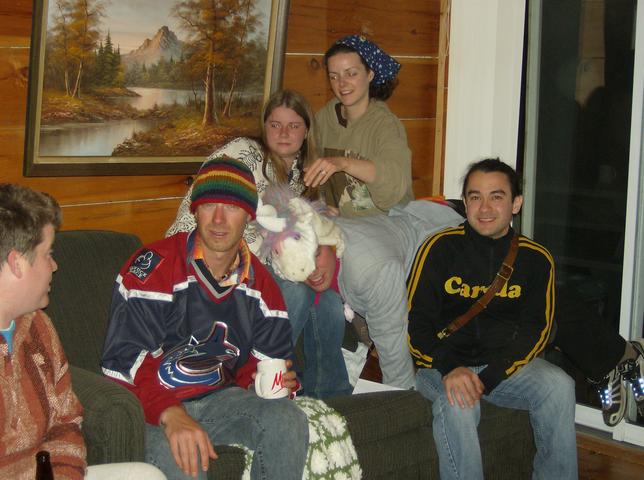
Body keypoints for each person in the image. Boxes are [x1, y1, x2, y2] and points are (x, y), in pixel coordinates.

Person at [101, 157, 308, 480]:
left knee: (288, 419)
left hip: (220, 402)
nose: (219, 219)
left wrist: (273, 382)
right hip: (146, 407)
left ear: (249, 216)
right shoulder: (153, 268)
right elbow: (122, 361)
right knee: (187, 458)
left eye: (232, 207)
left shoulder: (261, 286)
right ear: (195, 210)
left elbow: (264, 365)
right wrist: (170, 412)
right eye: (210, 205)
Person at [167, 89, 351, 398]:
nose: (283, 133)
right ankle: (262, 380)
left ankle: (329, 398)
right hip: (207, 259)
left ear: (306, 131)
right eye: (275, 125)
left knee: (330, 304)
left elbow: (304, 229)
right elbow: (219, 218)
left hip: (260, 265)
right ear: (264, 128)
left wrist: (319, 246)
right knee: (296, 290)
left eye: (293, 125)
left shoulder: (303, 176)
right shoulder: (244, 153)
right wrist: (288, 260)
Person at [406, 158, 578, 479]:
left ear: (516, 204)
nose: (484, 208)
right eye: (475, 197)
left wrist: (491, 376)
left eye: (496, 197)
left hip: (501, 366)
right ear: (465, 203)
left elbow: (537, 330)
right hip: (440, 364)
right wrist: (451, 368)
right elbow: (417, 325)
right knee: (460, 403)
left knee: (559, 386)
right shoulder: (438, 248)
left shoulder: (536, 259)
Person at [0, 183, 165, 480]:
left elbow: (66, 423)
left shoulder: (38, 327)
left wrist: (64, 475)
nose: (55, 266)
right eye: (47, 254)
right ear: (17, 263)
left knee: (144, 475)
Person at [304, 34, 413, 218]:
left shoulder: (386, 124)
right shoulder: (322, 120)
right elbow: (307, 174)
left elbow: (394, 186)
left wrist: (344, 163)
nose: (342, 83)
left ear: (370, 74)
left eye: (351, 73)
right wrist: (320, 207)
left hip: (389, 222)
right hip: (341, 224)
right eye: (334, 76)